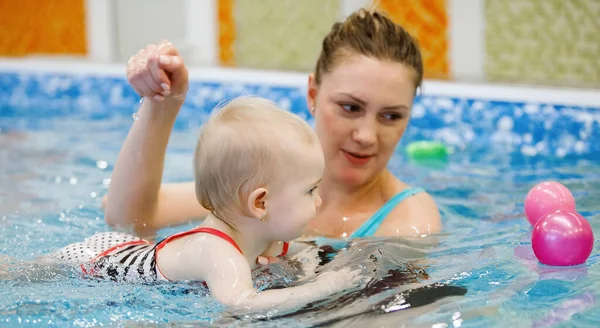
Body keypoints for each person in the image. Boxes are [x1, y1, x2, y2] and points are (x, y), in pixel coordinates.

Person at [103, 8, 442, 245]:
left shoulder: (409, 220)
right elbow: (129, 218)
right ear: (312, 94)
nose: (367, 136)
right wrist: (162, 104)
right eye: (350, 107)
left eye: (391, 116)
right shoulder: (265, 174)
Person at [48, 97, 363, 313]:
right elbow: (240, 303)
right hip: (102, 261)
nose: (320, 199)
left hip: (133, 248)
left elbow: (306, 253)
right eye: (310, 190)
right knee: (31, 272)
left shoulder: (268, 236)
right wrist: (323, 287)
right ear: (260, 202)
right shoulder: (215, 250)